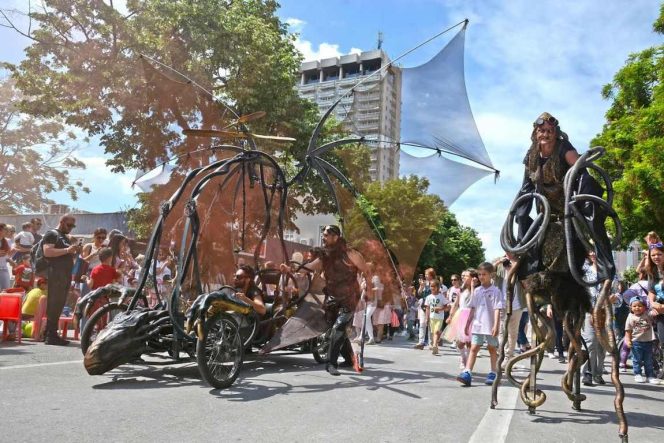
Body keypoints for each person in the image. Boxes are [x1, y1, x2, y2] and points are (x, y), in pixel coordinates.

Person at [285, 225, 367, 375]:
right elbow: (309, 267)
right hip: (332, 297)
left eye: (326, 235)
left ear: (335, 237)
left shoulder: (351, 254)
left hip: (350, 297)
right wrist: (291, 269)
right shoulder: (325, 256)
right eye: (323, 235)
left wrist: (367, 286)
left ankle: (331, 363)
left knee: (338, 327)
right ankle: (349, 359)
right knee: (338, 329)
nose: (323, 238)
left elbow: (366, 270)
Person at [457, 262, 503, 387]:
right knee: (473, 348)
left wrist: (496, 325)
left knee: (492, 349)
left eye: (484, 274)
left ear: (491, 275)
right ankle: (467, 372)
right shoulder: (477, 291)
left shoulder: (496, 291)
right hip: (478, 325)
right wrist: (468, 323)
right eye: (480, 274)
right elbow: (473, 308)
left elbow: (497, 309)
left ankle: (493, 372)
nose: (481, 277)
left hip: (490, 325)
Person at [42, 214, 81, 346]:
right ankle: (51, 335)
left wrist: (74, 250)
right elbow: (47, 251)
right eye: (69, 225)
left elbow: (66, 253)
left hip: (65, 274)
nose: (70, 228)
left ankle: (49, 332)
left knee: (59, 303)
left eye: (73, 226)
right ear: (62, 222)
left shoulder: (64, 237)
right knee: (55, 303)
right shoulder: (52, 234)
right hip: (56, 273)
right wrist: (67, 250)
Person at [581, 250, 606, 386]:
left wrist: (614, 299)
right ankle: (587, 373)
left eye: (596, 251)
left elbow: (618, 295)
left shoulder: (610, 272)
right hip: (589, 312)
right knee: (590, 343)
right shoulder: (584, 271)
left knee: (602, 346)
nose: (594, 254)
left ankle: (598, 373)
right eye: (591, 252)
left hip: (605, 314)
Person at [445, 269, 477, 369]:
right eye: (463, 276)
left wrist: (473, 286)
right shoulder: (461, 290)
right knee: (460, 342)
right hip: (461, 315)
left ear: (472, 278)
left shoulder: (476, 290)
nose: (463, 277)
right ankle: (463, 357)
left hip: (471, 315)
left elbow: (474, 301)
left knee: (469, 342)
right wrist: (450, 316)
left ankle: (468, 362)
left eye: (466, 276)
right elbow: (455, 304)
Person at [624, 295, 660, 384]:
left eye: (640, 306)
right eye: (634, 306)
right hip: (636, 342)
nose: (637, 308)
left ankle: (650, 376)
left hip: (648, 341)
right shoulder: (630, 317)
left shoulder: (647, 314)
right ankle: (638, 374)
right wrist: (628, 340)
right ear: (631, 307)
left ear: (644, 307)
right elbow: (628, 330)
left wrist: (655, 311)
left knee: (649, 360)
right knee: (637, 360)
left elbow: (653, 313)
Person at [424, 279, 450, 355]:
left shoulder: (441, 296)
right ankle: (435, 344)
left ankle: (435, 345)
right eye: (431, 286)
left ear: (438, 287)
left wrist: (440, 309)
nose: (432, 288)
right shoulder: (428, 297)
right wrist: (427, 318)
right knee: (433, 332)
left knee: (436, 331)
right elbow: (427, 308)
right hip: (432, 317)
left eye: (434, 286)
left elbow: (447, 307)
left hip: (439, 318)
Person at [0, 223, 14, 289]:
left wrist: (10, 260)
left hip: (3, 268)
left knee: (6, 289)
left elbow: (7, 255)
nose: (7, 231)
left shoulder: (7, 241)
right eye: (5, 229)